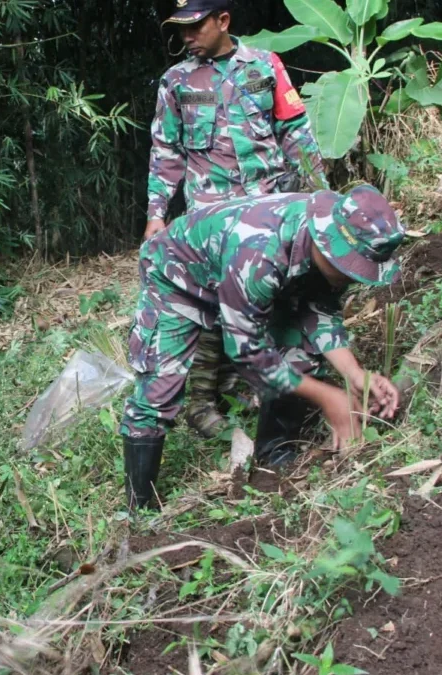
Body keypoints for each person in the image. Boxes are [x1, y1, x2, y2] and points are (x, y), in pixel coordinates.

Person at [121, 186, 404, 511]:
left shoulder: (321, 247)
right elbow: (248, 352)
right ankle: (138, 512)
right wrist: (330, 397)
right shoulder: (259, 252)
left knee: (300, 354)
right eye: (348, 266)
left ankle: (275, 465)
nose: (351, 276)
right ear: (326, 244)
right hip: (176, 275)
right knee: (159, 388)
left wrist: (355, 374)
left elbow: (320, 312)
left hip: (242, 278)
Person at [147, 0, 329, 439]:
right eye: (180, 30)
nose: (187, 38)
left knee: (269, 295)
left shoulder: (265, 66)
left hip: (269, 206)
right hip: (211, 214)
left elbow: (294, 131)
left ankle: (249, 387)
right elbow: (166, 150)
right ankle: (200, 402)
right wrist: (156, 213)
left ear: (223, 21)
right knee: (210, 302)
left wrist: (321, 194)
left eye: (195, 27)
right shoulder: (177, 81)